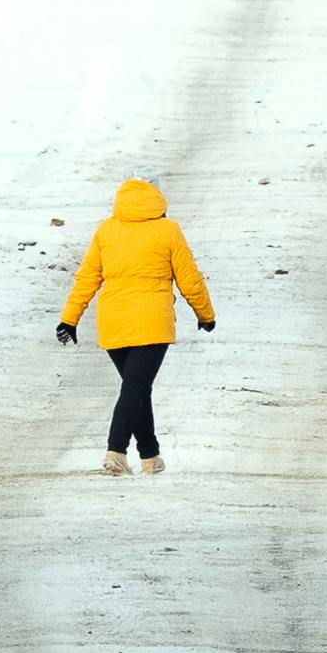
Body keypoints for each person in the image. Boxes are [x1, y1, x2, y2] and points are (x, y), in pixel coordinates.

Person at [56, 176, 214, 475]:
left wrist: (70, 318)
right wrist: (205, 314)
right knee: (135, 388)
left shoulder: (106, 230)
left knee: (137, 388)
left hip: (114, 321)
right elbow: (189, 277)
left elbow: (87, 277)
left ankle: (150, 457)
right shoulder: (168, 230)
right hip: (152, 322)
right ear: (157, 197)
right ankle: (115, 453)